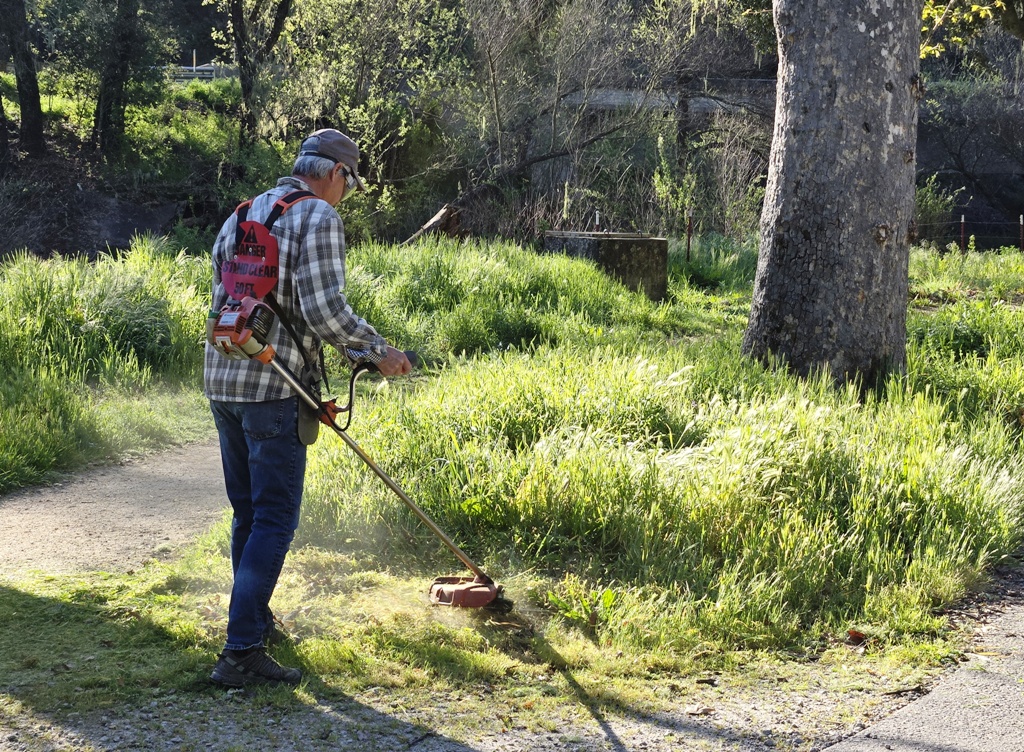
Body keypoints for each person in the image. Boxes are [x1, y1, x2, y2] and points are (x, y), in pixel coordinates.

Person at [204, 128, 412, 687]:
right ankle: (241, 651)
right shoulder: (318, 216)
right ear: (335, 174)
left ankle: (254, 619)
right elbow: (325, 312)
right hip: (273, 387)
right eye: (350, 182)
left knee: (248, 512)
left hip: (223, 378)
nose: (346, 194)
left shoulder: (243, 212)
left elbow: (227, 299)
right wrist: (379, 352)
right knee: (275, 518)